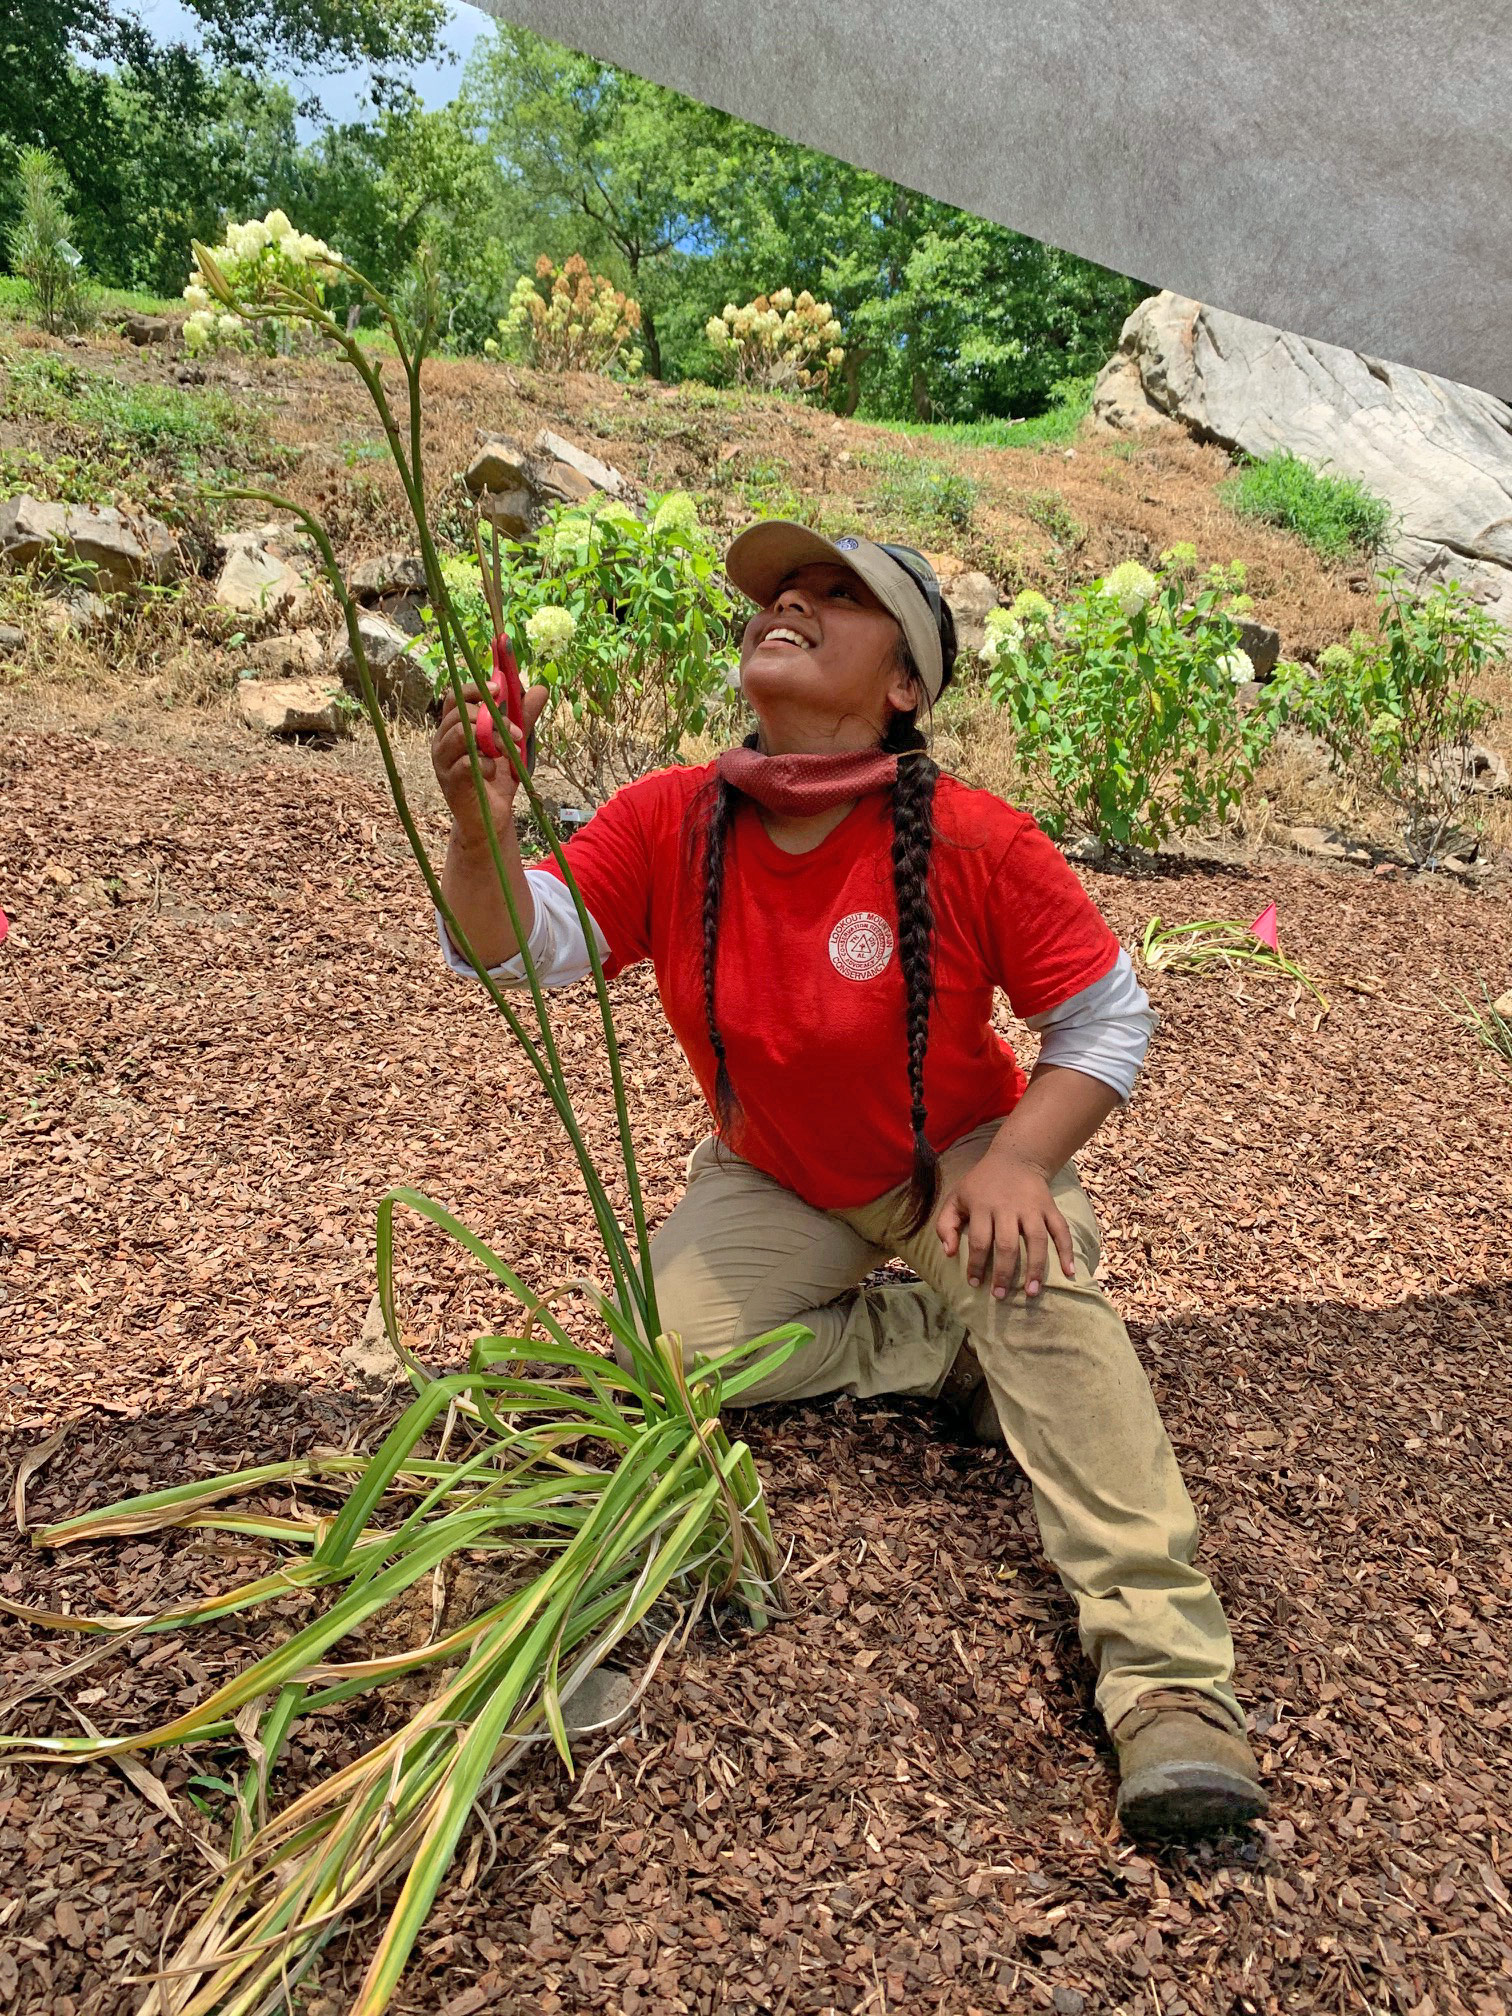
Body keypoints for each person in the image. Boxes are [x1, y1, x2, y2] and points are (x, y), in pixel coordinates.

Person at [430, 521, 1266, 1839]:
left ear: (905, 689)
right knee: (665, 1356)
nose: (795, 605)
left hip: (956, 1168)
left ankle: (1168, 1685)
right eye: (782, 591)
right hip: (776, 1176)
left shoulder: (975, 840)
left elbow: (1108, 1021)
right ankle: (936, 1349)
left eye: (840, 596)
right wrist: (476, 828)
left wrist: (1021, 1163)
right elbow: (521, 949)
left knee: (1039, 1291)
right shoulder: (671, 818)